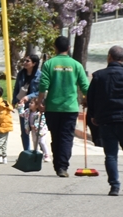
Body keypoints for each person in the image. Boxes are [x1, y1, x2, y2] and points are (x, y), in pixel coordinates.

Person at [86, 46, 123, 196]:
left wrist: (93, 115)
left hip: (106, 121)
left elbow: (91, 99)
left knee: (111, 155)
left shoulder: (98, 76)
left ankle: (114, 186)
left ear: (109, 57)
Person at [36, 35, 90, 178]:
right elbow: (85, 86)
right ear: (69, 48)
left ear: (55, 48)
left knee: (56, 136)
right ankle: (63, 166)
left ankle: (58, 165)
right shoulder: (77, 65)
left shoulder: (49, 64)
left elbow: (43, 85)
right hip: (70, 108)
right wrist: (87, 100)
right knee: (66, 137)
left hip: (52, 107)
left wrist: (40, 102)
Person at [14, 53, 41, 151]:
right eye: (24, 61)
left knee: (36, 129)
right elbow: (16, 88)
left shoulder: (39, 75)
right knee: (25, 130)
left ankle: (38, 150)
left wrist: (29, 97)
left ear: (34, 63)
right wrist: (14, 101)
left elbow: (41, 91)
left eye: (27, 61)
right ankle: (27, 152)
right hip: (23, 106)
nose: (25, 63)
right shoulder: (21, 74)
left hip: (35, 106)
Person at [0, 85, 15, 164]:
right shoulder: (2, 103)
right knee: (3, 142)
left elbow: (0, 118)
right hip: (5, 126)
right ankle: (4, 157)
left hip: (1, 127)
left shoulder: (0, 105)